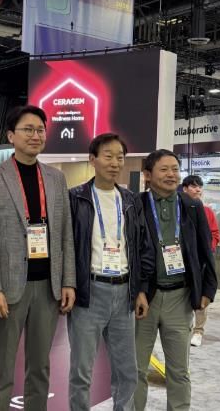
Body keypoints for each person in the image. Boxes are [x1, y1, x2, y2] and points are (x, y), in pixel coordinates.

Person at [0, 105, 76, 411]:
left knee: (40, 367)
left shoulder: (56, 179)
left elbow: (65, 234)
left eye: (40, 130)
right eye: (28, 129)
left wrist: (68, 281)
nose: (35, 135)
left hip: (47, 287)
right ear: (11, 136)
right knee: (1, 369)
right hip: (8, 288)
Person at [68, 134, 155, 411]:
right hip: (89, 292)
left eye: (120, 157)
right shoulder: (76, 198)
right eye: (108, 156)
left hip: (124, 293)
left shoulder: (130, 200)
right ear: (92, 159)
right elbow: (66, 246)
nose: (115, 163)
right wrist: (68, 285)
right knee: (82, 371)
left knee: (127, 371)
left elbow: (142, 247)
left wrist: (141, 290)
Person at [135, 149, 217, 411]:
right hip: (145, 299)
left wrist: (208, 289)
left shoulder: (191, 206)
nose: (171, 174)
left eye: (175, 169)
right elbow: (131, 252)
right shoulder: (135, 204)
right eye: (164, 169)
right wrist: (137, 290)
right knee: (135, 368)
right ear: (148, 175)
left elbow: (205, 249)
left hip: (180, 297)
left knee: (179, 370)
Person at [181, 175, 220, 347]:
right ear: (184, 189)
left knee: (202, 295)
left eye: (200, 187)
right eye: (193, 186)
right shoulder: (177, 208)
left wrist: (206, 251)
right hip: (180, 260)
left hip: (201, 261)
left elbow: (215, 234)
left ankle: (198, 331)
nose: (198, 190)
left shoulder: (207, 211)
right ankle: (185, 328)